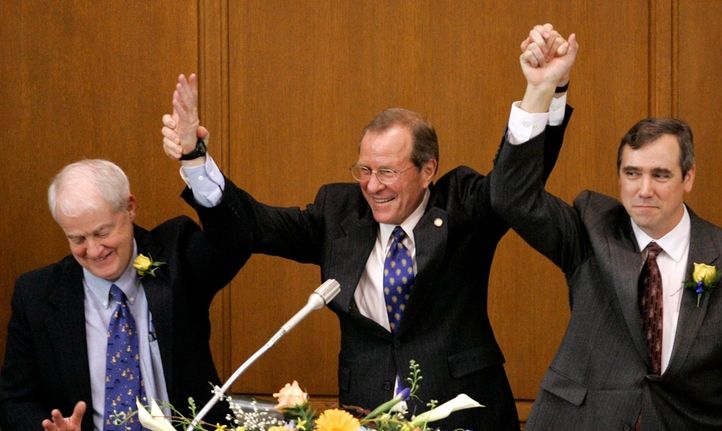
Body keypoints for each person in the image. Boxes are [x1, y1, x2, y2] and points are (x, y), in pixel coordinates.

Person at [160, 24, 574, 430]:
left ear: (427, 169)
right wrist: (195, 158)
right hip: (366, 416)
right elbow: (255, 225)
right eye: (364, 170)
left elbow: (513, 185)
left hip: (465, 414)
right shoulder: (339, 213)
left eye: (388, 172)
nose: (372, 186)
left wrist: (542, 92)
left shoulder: (462, 204)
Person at [490, 25, 722, 430]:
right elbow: (511, 197)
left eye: (660, 175)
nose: (644, 190)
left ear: (688, 178)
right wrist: (541, 90)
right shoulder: (590, 230)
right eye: (632, 173)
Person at [0, 158, 255, 430]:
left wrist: (194, 159)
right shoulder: (36, 295)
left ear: (130, 208)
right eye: (78, 239)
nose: (94, 250)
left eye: (103, 232)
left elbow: (234, 243)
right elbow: (15, 401)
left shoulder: (176, 256)